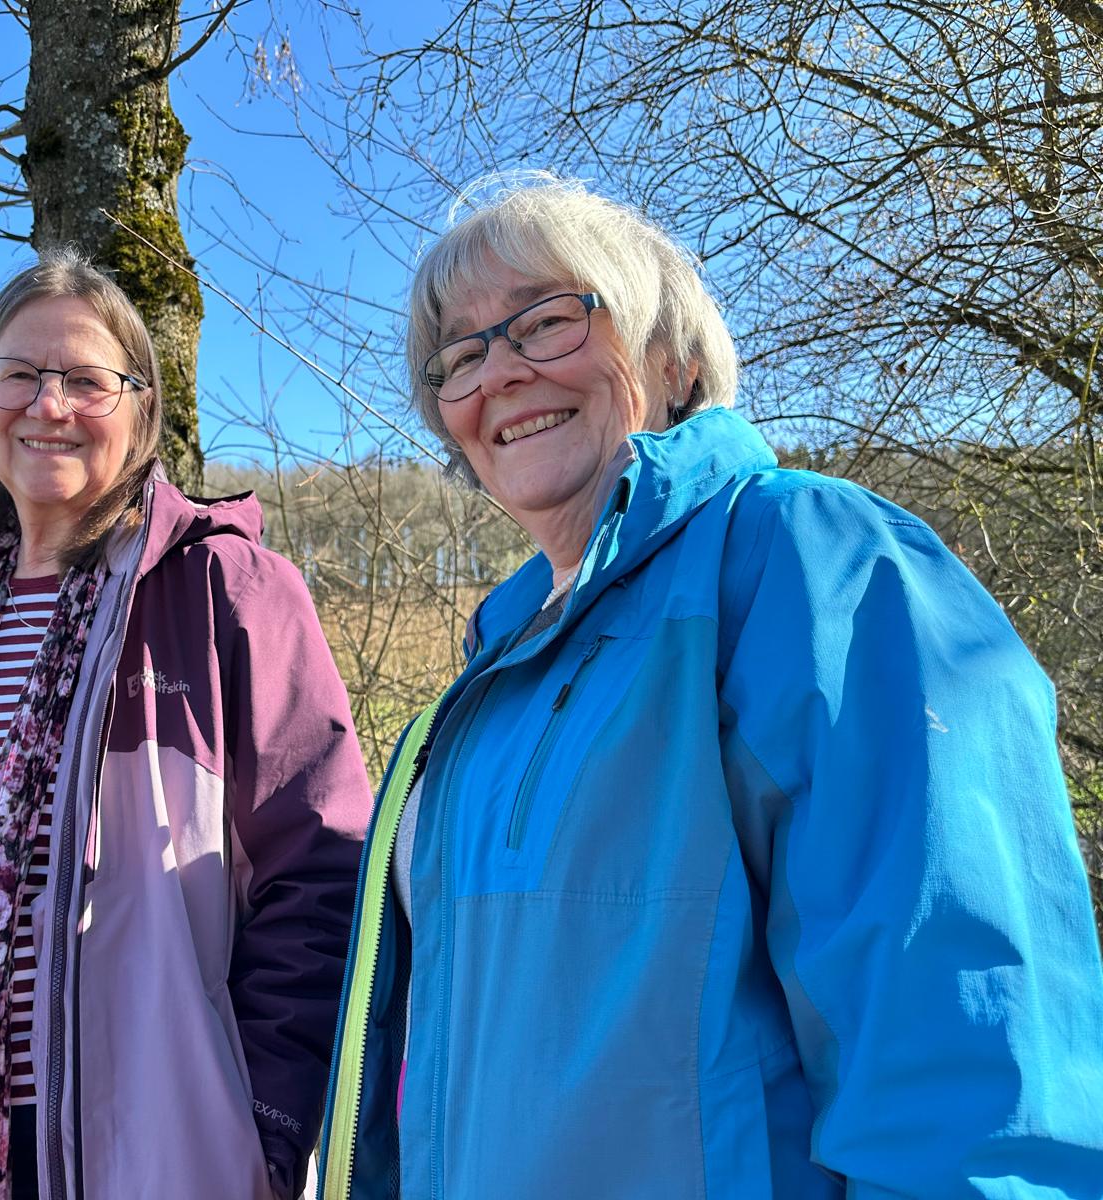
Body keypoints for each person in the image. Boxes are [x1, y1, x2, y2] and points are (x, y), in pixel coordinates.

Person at [317, 174, 1103, 1198]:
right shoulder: (481, 686)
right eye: (460, 355)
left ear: (675, 357)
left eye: (545, 320)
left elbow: (964, 1056)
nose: (498, 371)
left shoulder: (808, 559)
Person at [0, 248, 372, 1200]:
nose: (48, 406)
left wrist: (261, 1133)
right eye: (19, 374)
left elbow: (323, 877)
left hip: (123, 1158)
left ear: (142, 410)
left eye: (87, 381)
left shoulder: (224, 591)